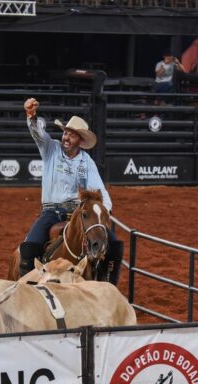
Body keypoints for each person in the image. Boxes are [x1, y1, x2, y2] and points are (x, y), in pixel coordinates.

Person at [19, 98, 121, 283]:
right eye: (65, 133)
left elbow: (99, 190)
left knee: (114, 244)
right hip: (51, 211)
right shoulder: (51, 148)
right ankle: (24, 289)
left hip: (77, 212)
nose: (66, 137)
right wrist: (31, 116)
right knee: (30, 245)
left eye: (71, 135)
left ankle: (108, 285)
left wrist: (105, 212)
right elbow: (38, 134)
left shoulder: (86, 162)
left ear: (79, 141)